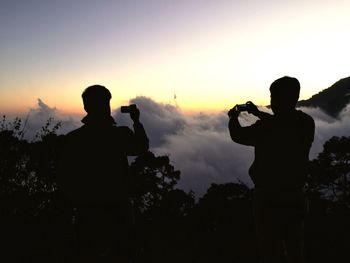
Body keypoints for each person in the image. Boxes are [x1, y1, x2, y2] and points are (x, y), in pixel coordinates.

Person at [58, 85, 149, 262]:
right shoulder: (120, 135)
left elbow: (65, 178)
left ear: (86, 107)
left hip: (87, 215)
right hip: (119, 213)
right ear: (107, 106)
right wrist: (136, 121)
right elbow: (141, 147)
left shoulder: (73, 140)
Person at [228, 76, 315, 263]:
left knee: (270, 251)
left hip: (269, 199)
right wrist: (258, 113)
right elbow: (283, 123)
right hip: (296, 195)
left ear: (281, 99)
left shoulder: (266, 128)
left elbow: (238, 135)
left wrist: (232, 118)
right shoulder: (306, 122)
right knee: (295, 249)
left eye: (273, 96)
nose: (271, 101)